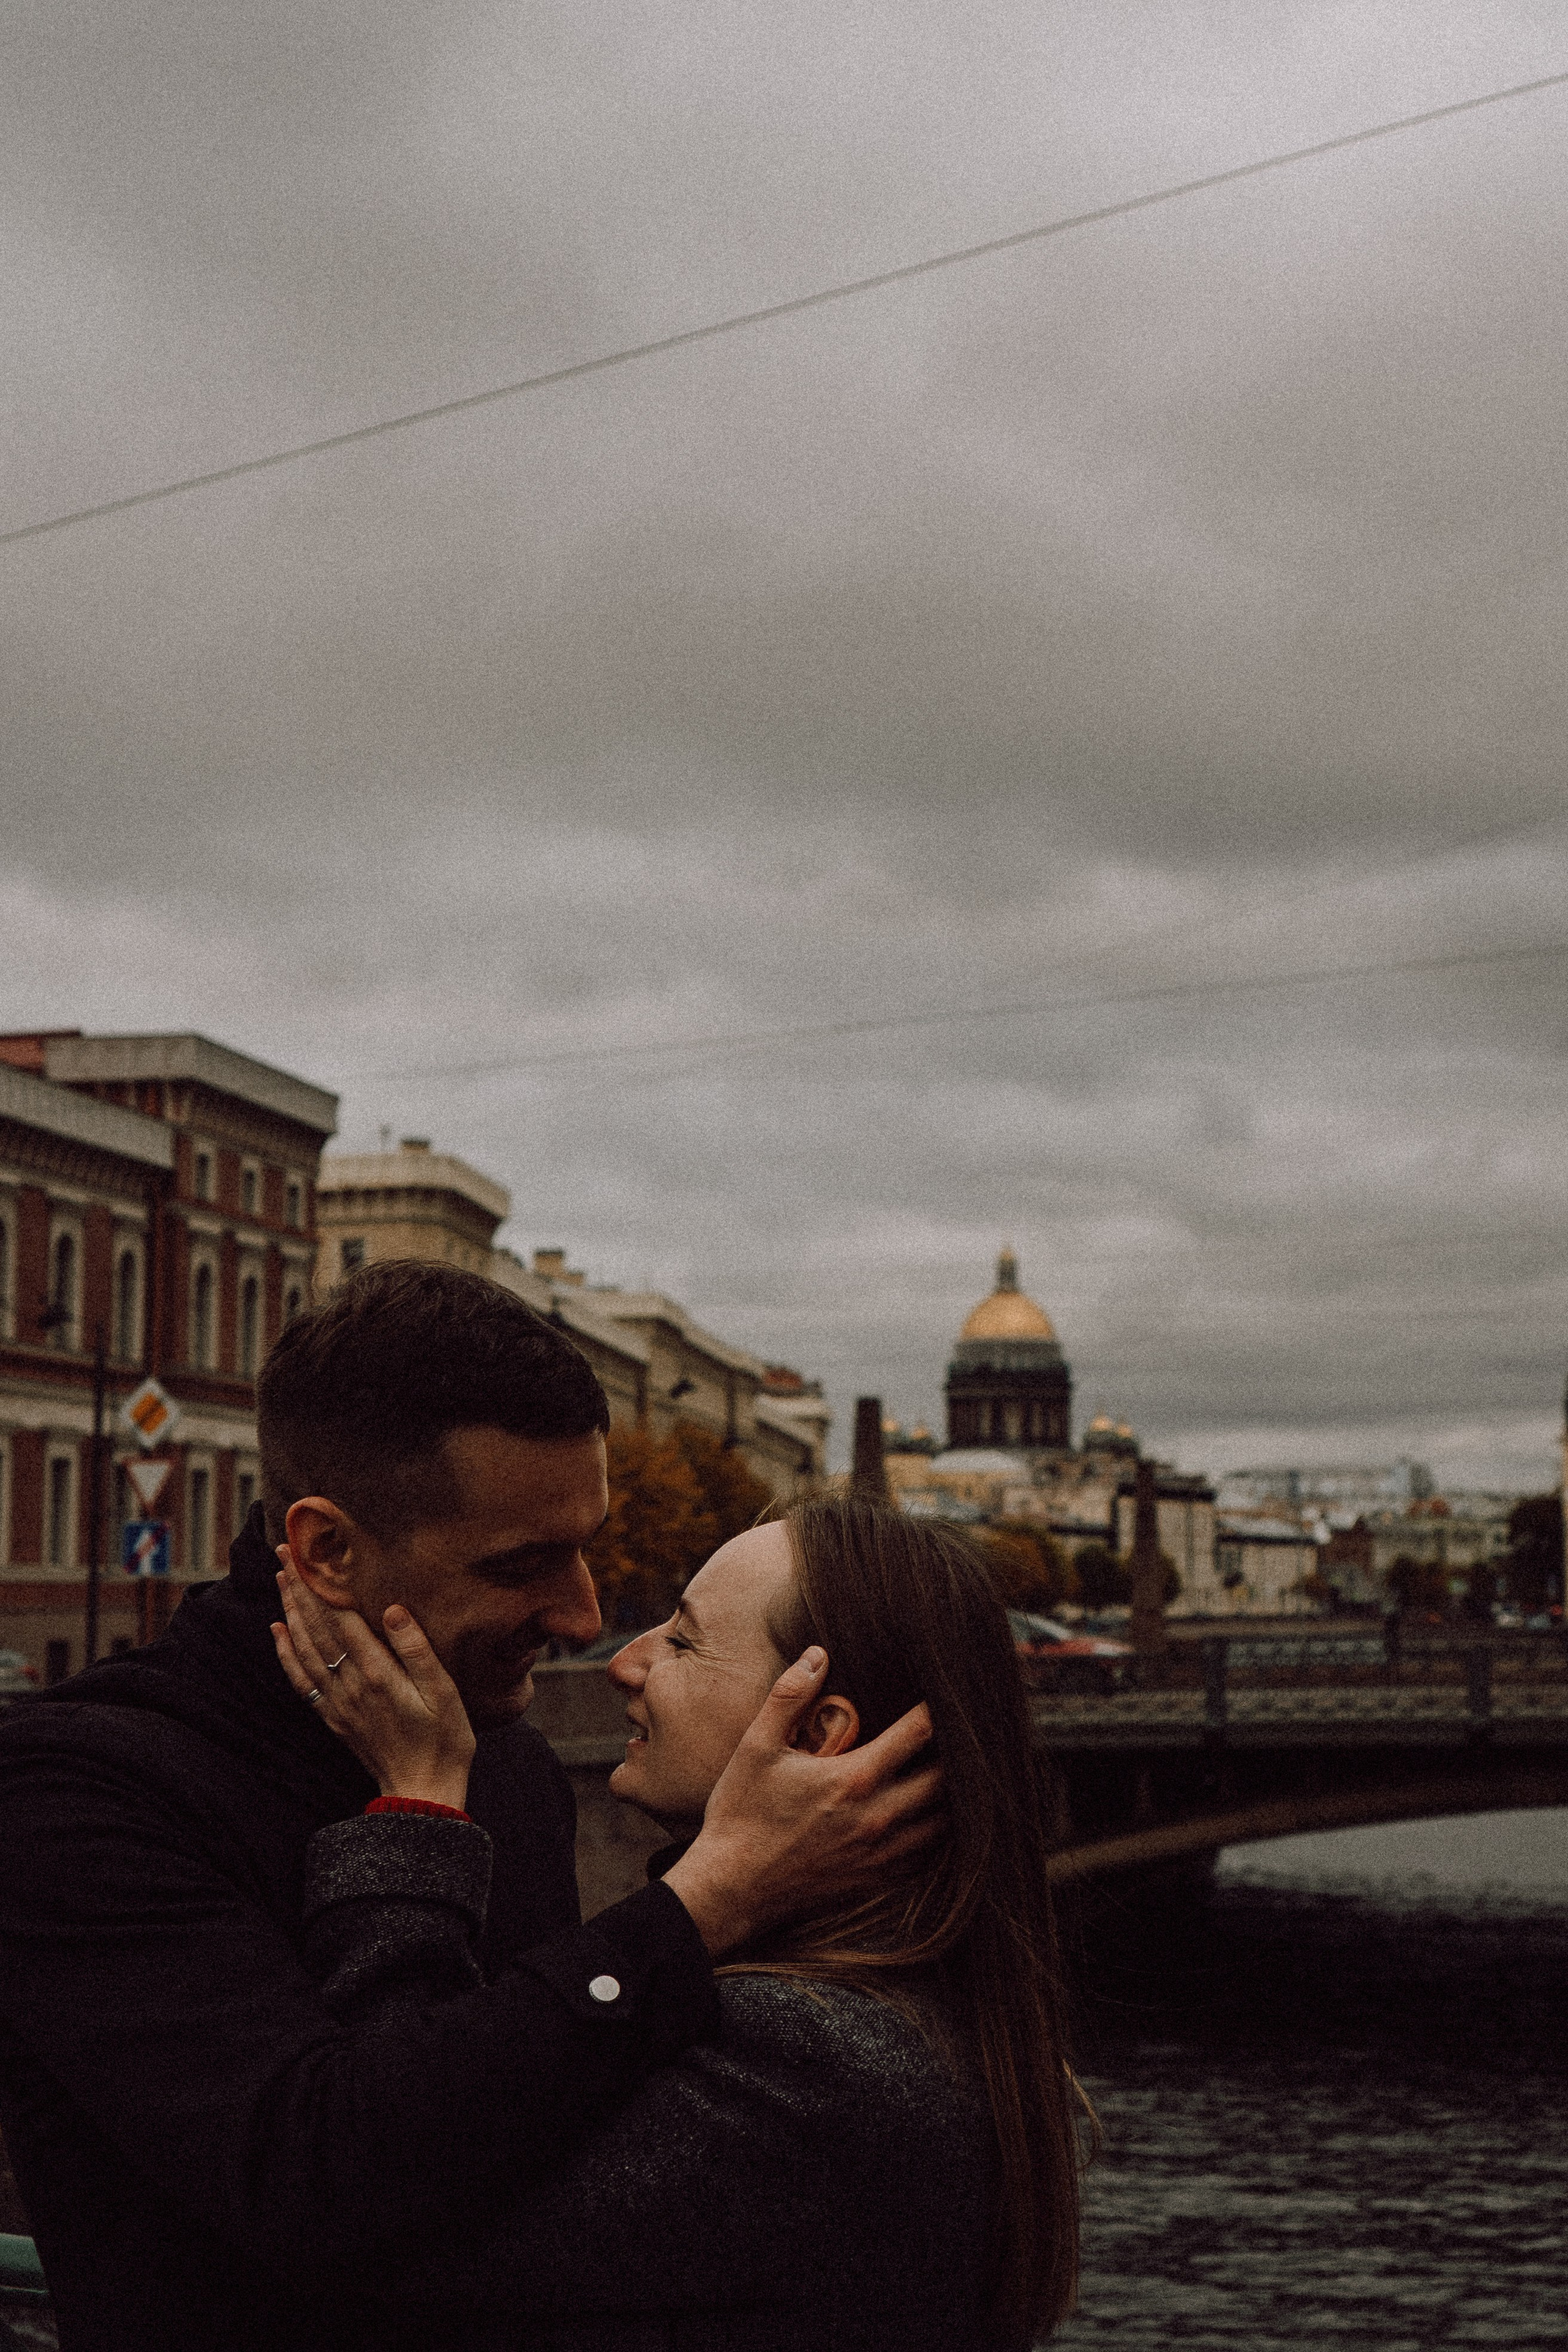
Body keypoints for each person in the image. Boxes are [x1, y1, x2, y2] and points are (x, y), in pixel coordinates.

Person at [0, 1265, 937, 2352]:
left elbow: (544, 2146)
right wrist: (697, 1908)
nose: (582, 1615)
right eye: (523, 1564)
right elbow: (322, 2187)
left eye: (585, 1545)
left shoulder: (507, 1763)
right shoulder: (74, 1794)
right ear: (327, 1553)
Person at [273, 1491, 1084, 2350]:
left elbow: (386, 2211)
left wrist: (416, 1805)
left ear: (814, 1735)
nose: (627, 1663)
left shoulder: (809, 2064)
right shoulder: (892, 2013)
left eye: (686, 1639)